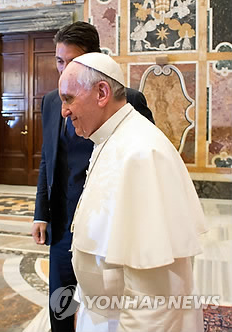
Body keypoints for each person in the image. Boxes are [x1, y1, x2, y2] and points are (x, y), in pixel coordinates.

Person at [62, 52, 206, 331]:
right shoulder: (111, 138)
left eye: (69, 98)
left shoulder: (141, 153)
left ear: (102, 92)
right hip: (105, 314)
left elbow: (155, 298)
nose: (64, 111)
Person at [31, 21, 155, 332]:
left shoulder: (128, 100)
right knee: (60, 304)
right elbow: (48, 160)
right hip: (62, 223)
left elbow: (144, 158)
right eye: (60, 61)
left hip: (106, 223)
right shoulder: (50, 102)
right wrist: (40, 213)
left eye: (72, 62)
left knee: (102, 306)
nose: (64, 71)